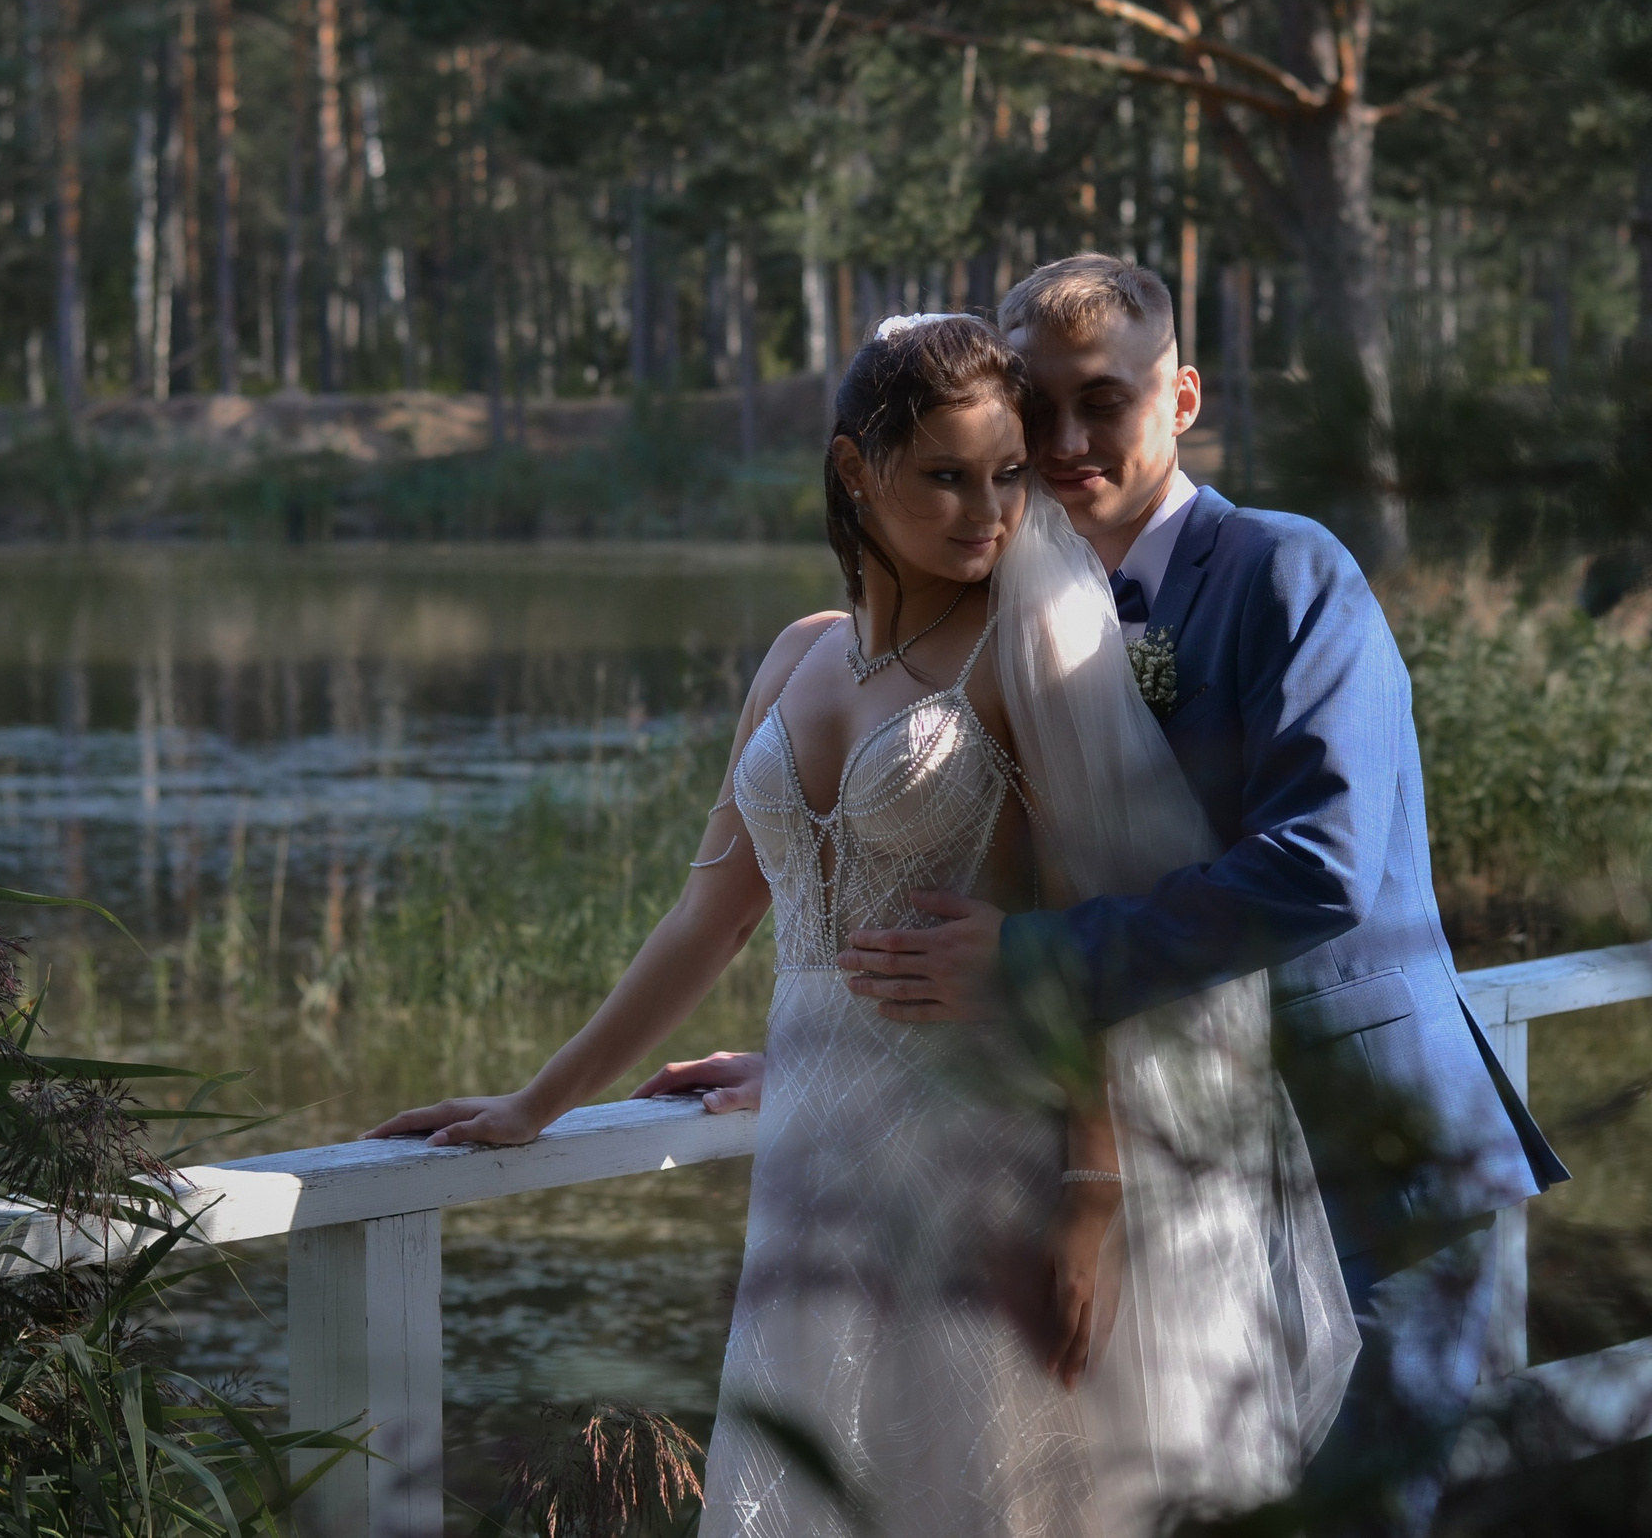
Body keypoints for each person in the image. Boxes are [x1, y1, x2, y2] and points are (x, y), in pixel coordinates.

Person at [367, 313, 1356, 1538]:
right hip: (817, 1166)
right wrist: (536, 1103)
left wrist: (1091, 1194)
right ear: (854, 471)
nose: (986, 512)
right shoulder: (798, 657)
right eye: (945, 475)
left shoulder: (1028, 648)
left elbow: (1094, 927)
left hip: (984, 1158)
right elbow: (708, 918)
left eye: (1005, 475)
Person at [664, 256, 1569, 1538]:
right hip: (1169, 1178)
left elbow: (1319, 866)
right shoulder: (1007, 615)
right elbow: (966, 870)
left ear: (1183, 395)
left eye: (1107, 400)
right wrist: (840, 1050)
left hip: (1360, 1151)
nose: (1068, 441)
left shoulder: (1285, 572)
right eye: (1036, 411)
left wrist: (1031, 964)